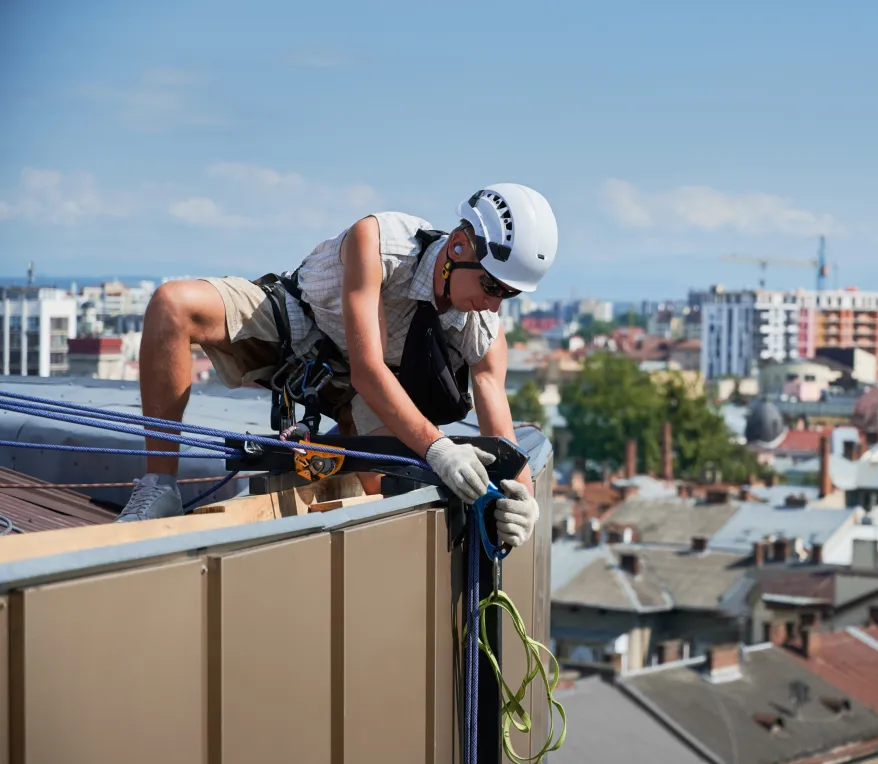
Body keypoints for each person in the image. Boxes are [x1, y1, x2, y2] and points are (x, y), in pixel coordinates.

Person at [114, 183, 553, 550]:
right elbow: (368, 367)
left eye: (508, 293)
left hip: (366, 395)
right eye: (491, 284)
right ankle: (160, 487)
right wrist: (438, 447)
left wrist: (525, 502)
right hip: (299, 324)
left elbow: (503, 443)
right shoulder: (383, 242)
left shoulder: (481, 327)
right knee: (173, 305)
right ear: (458, 246)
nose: (494, 303)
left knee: (399, 505)